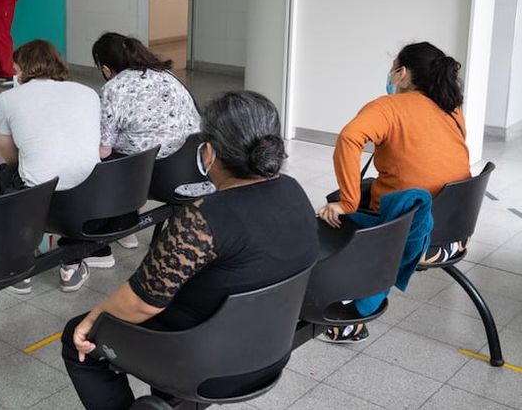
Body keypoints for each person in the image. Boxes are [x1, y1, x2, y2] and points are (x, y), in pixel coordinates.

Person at [61, 91, 318, 410]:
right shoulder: (293, 191)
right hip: (269, 351)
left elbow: (141, 303)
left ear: (209, 152)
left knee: (77, 336)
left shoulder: (203, 217)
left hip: (201, 363)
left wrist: (93, 319)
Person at [315, 41, 470, 341]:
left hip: (410, 225)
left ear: (402, 73)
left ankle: (347, 313)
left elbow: (349, 138)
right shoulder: (451, 110)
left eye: (393, 68)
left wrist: (347, 202)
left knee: (331, 216)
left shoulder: (388, 107)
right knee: (370, 193)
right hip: (453, 227)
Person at [0, 40, 101, 293]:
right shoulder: (88, 92)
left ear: (24, 69)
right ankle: (71, 266)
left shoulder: (7, 98)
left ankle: (21, 263)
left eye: (16, 70)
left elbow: (9, 157)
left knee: (4, 176)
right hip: (90, 199)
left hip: (39, 200)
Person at [93, 32, 203, 250]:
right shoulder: (166, 75)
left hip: (155, 177)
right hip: (193, 168)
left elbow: (104, 150)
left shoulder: (114, 89)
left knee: (103, 162)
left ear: (105, 68)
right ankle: (125, 228)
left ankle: (117, 226)